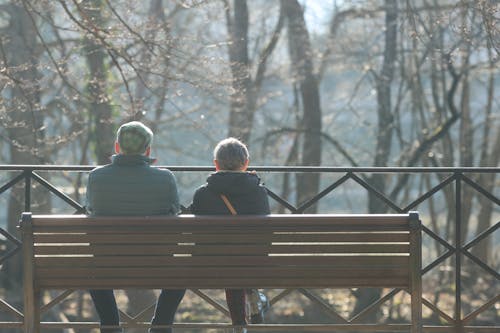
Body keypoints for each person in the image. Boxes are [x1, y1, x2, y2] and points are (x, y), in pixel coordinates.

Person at [85, 121, 185, 333]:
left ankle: (111, 327)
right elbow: (174, 212)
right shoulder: (165, 178)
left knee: (94, 274)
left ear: (117, 147)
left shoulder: (96, 177)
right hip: (157, 263)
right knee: (179, 278)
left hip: (108, 264)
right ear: (147, 150)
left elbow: (91, 210)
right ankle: (160, 327)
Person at [190, 137, 271, 333]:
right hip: (254, 261)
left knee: (229, 261)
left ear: (215, 165)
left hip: (211, 262)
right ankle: (252, 298)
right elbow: (265, 235)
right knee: (239, 260)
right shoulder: (259, 193)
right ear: (246, 163)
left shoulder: (202, 194)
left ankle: (239, 326)